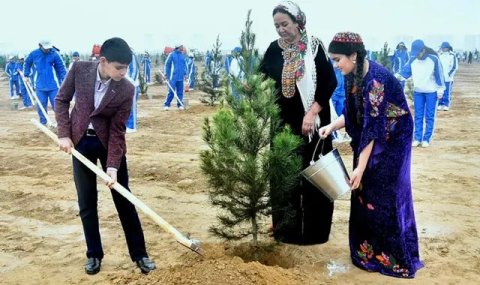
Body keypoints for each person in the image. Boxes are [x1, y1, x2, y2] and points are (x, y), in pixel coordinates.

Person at [319, 31, 423, 278]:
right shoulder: (351, 75)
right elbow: (355, 115)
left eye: (337, 59)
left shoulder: (376, 81)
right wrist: (332, 126)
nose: (336, 65)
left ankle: (393, 256)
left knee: (385, 192)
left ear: (353, 55)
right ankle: (368, 252)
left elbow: (372, 129)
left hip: (394, 140)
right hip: (372, 135)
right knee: (363, 189)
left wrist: (360, 167)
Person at [55, 37, 156, 275]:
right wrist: (63, 134)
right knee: (87, 202)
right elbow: (62, 100)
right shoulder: (80, 70)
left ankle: (140, 254)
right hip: (80, 142)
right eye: (119, 67)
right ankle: (94, 255)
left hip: (108, 143)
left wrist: (113, 166)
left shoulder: (126, 88)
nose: (123, 72)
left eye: (127, 67)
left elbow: (118, 130)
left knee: (124, 199)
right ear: (103, 61)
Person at [259, 1, 337, 245]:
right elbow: (260, 78)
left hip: (313, 125)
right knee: (284, 176)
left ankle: (315, 232)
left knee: (315, 175)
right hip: (283, 125)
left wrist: (312, 112)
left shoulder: (314, 47)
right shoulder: (273, 49)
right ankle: (285, 229)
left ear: (298, 22)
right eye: (276, 26)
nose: (281, 29)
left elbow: (329, 83)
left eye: (285, 24)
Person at [399, 39, 445, 148]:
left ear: (423, 50)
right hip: (418, 92)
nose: (417, 55)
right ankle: (418, 138)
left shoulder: (433, 59)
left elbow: (439, 75)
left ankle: (426, 139)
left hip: (431, 92)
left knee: (429, 116)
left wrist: (440, 90)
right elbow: (404, 73)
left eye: (418, 53)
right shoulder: (413, 59)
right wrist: (392, 78)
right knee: (418, 115)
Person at [24, 40, 67, 125]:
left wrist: (65, 79)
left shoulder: (54, 54)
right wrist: (26, 75)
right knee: (41, 105)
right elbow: (27, 63)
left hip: (53, 85)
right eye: (45, 48)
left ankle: (61, 124)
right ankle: (43, 122)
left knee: (57, 105)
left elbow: (61, 68)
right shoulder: (34, 54)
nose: (47, 50)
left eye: (49, 48)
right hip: (40, 85)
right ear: (40, 46)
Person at [163, 44, 187, 110]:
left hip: (180, 77)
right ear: (178, 47)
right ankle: (167, 104)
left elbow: (184, 65)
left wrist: (185, 73)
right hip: (173, 77)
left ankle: (180, 105)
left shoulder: (182, 55)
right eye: (181, 46)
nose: (183, 47)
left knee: (180, 92)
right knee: (171, 91)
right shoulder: (172, 55)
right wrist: (165, 74)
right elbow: (167, 65)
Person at [437, 42, 458, 111]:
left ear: (448, 48)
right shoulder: (439, 54)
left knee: (447, 92)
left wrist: (449, 74)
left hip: (448, 78)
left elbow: (454, 67)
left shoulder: (452, 55)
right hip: (440, 77)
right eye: (442, 47)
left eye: (444, 47)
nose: (443, 49)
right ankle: (440, 104)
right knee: (440, 91)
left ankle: (446, 104)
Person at [126, 53, 140, 132]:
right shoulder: (119, 55)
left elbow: (134, 70)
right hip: (123, 85)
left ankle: (132, 126)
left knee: (132, 106)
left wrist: (131, 82)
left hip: (132, 85)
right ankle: (126, 124)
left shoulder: (131, 55)